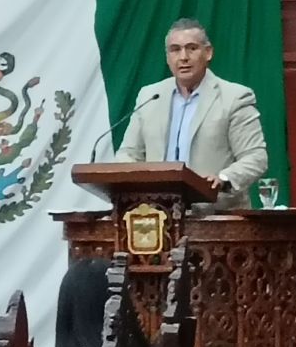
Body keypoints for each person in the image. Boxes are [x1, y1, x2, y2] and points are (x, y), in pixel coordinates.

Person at [115, 18, 268, 209]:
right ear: (167, 57)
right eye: (175, 50)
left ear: (208, 52)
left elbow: (255, 157)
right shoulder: (150, 96)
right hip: (156, 214)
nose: (183, 57)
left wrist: (223, 179)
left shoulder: (234, 97)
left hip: (215, 214)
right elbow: (128, 153)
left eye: (192, 48)